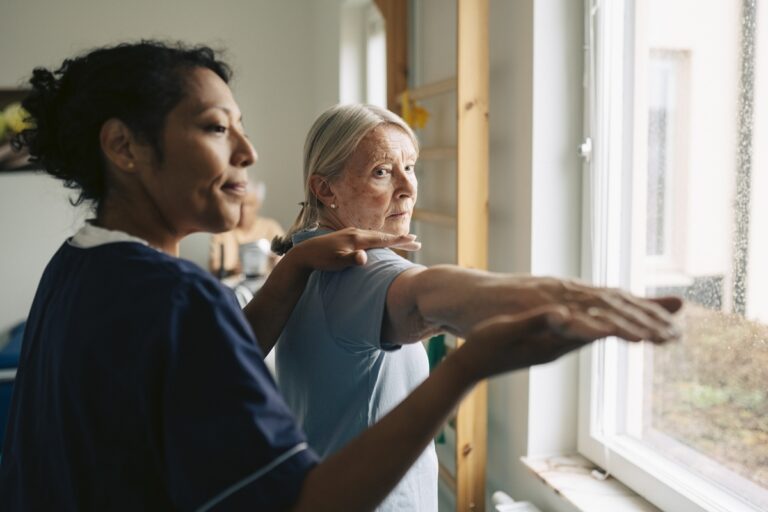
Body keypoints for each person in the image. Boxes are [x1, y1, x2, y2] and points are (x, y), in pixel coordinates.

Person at [0, 41, 680, 512]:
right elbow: (305, 501)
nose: (248, 151)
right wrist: (467, 368)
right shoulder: (182, 295)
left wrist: (294, 265)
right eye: (215, 127)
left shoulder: (78, 266)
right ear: (123, 147)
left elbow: (206, 358)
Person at [271, 104, 683, 511]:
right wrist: (564, 294)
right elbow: (426, 296)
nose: (408, 187)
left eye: (410, 167)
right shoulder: (356, 270)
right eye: (381, 171)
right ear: (325, 189)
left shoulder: (300, 262)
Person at [209, 180, 285, 277]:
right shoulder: (222, 231)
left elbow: (285, 260)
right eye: (239, 204)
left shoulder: (271, 227)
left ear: (258, 204)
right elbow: (215, 269)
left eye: (249, 204)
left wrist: (276, 262)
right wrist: (231, 272)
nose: (243, 210)